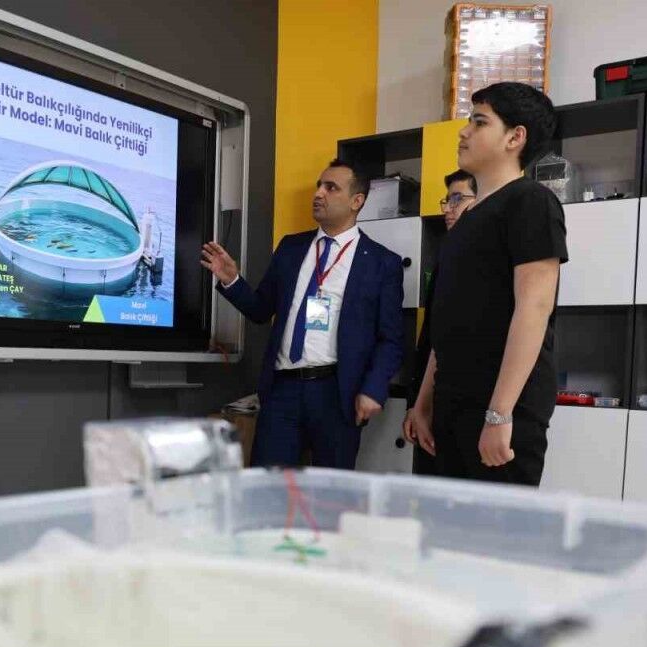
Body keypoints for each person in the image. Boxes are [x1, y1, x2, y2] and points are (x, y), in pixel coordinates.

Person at [411, 82, 567, 486]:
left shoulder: (531, 201)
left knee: (498, 523)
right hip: (451, 402)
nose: (464, 132)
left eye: (480, 122)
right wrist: (423, 403)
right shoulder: (465, 220)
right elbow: (447, 322)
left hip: (501, 407)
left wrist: (499, 414)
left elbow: (534, 309)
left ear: (515, 137)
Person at [201, 159, 405, 469]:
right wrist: (232, 280)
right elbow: (260, 310)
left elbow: (390, 339)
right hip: (282, 391)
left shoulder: (381, 263)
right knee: (268, 483)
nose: (319, 193)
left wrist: (373, 389)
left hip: (338, 394)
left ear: (356, 201)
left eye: (331, 188)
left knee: (329, 489)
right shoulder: (291, 248)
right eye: (319, 186)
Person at [402, 169, 477, 474]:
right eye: (447, 200)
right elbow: (432, 338)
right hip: (438, 397)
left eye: (457, 199)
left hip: (475, 405)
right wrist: (418, 404)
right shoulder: (447, 255)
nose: (448, 208)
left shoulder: (492, 257)